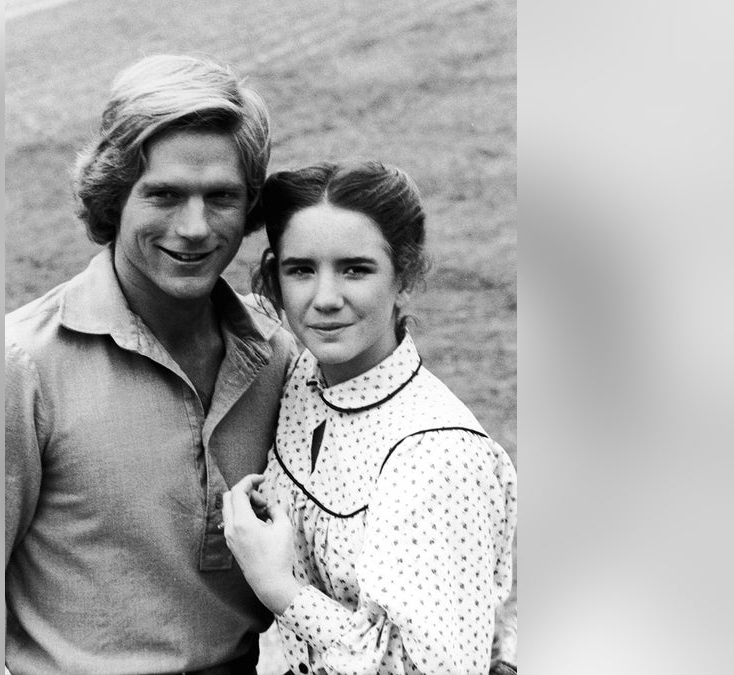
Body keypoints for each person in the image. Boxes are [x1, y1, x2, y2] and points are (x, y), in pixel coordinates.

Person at [4, 54, 299, 674]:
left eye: (221, 198)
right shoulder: (20, 367)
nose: (193, 229)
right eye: (163, 195)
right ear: (114, 197)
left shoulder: (278, 358)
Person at [221, 162, 518, 674]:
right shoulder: (299, 378)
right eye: (301, 270)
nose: (326, 298)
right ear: (274, 277)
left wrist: (280, 588)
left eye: (355, 269)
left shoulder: (436, 455)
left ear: (404, 274)